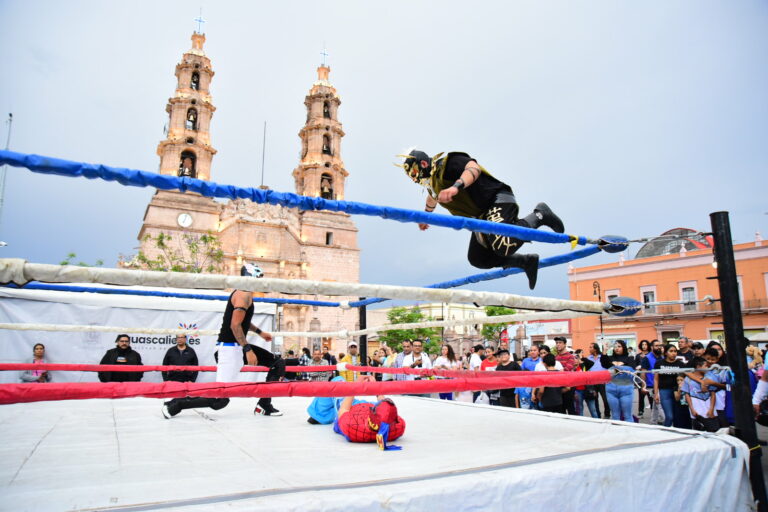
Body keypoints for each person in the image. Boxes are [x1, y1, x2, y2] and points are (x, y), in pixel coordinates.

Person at [398, 150, 565, 289]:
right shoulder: (433, 185)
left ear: (423, 164)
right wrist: (426, 216)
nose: (414, 179)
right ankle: (525, 261)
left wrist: (457, 186)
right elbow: (431, 199)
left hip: (496, 200)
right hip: (481, 217)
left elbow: (473, 168)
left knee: (503, 244)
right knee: (478, 258)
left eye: (413, 174)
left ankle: (539, 215)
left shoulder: (448, 163)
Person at [162, 264, 282, 418]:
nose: (261, 281)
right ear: (251, 277)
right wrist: (248, 350)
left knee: (277, 364)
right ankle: (175, 405)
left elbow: (242, 322)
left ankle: (264, 405)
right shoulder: (243, 294)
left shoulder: (246, 294)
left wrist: (260, 332)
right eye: (259, 278)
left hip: (237, 347)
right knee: (219, 400)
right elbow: (235, 325)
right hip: (230, 349)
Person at [160, 334, 200, 416]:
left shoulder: (191, 351)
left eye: (182, 337)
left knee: (185, 402)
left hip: (186, 381)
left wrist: (192, 380)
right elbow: (164, 366)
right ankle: (168, 412)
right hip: (173, 381)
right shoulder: (170, 350)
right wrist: (166, 380)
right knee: (170, 401)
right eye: (178, 337)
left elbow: (196, 367)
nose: (180, 339)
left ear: (185, 339)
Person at [680, 357, 718, 432]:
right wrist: (692, 409)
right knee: (698, 431)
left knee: (713, 431)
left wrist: (711, 409)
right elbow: (687, 395)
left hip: (708, 410)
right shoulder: (688, 379)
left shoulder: (710, 378)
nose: (707, 368)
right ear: (698, 367)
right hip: (697, 410)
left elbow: (713, 394)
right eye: (705, 366)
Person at [653, 344, 686, 427]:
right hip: (664, 391)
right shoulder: (659, 363)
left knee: (677, 417)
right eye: (671, 351)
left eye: (675, 351)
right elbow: (656, 379)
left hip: (677, 392)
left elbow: (685, 377)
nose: (673, 353)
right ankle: (665, 431)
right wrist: (656, 393)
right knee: (669, 416)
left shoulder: (680, 364)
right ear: (666, 353)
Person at [605, 340, 636, 422]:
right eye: (615, 347)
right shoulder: (609, 358)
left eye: (619, 346)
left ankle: (630, 433)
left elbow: (633, 371)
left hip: (625, 388)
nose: (617, 348)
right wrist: (604, 351)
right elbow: (603, 364)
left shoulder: (630, 358)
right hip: (611, 389)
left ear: (623, 347)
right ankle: (616, 434)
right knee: (615, 416)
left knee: (627, 415)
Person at [641, 339, 663, 424]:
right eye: (656, 346)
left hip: (662, 385)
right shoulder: (647, 358)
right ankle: (660, 421)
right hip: (651, 385)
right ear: (652, 347)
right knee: (656, 406)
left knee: (657, 406)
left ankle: (655, 422)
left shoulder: (662, 357)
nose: (658, 347)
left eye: (660, 346)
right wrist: (644, 386)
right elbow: (643, 373)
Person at [554, 337, 578, 415]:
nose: (558, 344)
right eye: (557, 343)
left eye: (560, 342)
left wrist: (557, 371)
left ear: (565, 344)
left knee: (570, 408)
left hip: (569, 386)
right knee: (561, 409)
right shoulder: (556, 357)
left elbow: (567, 369)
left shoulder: (570, 356)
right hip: (559, 385)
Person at [635, 339, 652, 418]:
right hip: (640, 377)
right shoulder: (638, 355)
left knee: (650, 395)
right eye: (642, 345)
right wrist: (637, 368)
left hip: (649, 377)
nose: (644, 346)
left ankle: (653, 411)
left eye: (645, 344)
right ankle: (640, 411)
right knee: (641, 395)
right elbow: (635, 365)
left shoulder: (650, 355)